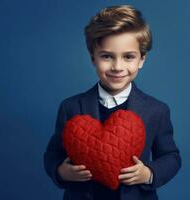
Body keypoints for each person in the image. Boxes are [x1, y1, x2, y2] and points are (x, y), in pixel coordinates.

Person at [43, 4, 181, 200]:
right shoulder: (70, 107)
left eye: (128, 57)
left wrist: (148, 173)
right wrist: (61, 172)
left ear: (142, 59)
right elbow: (52, 154)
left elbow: (171, 157)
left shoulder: (156, 110)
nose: (117, 66)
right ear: (93, 58)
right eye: (107, 56)